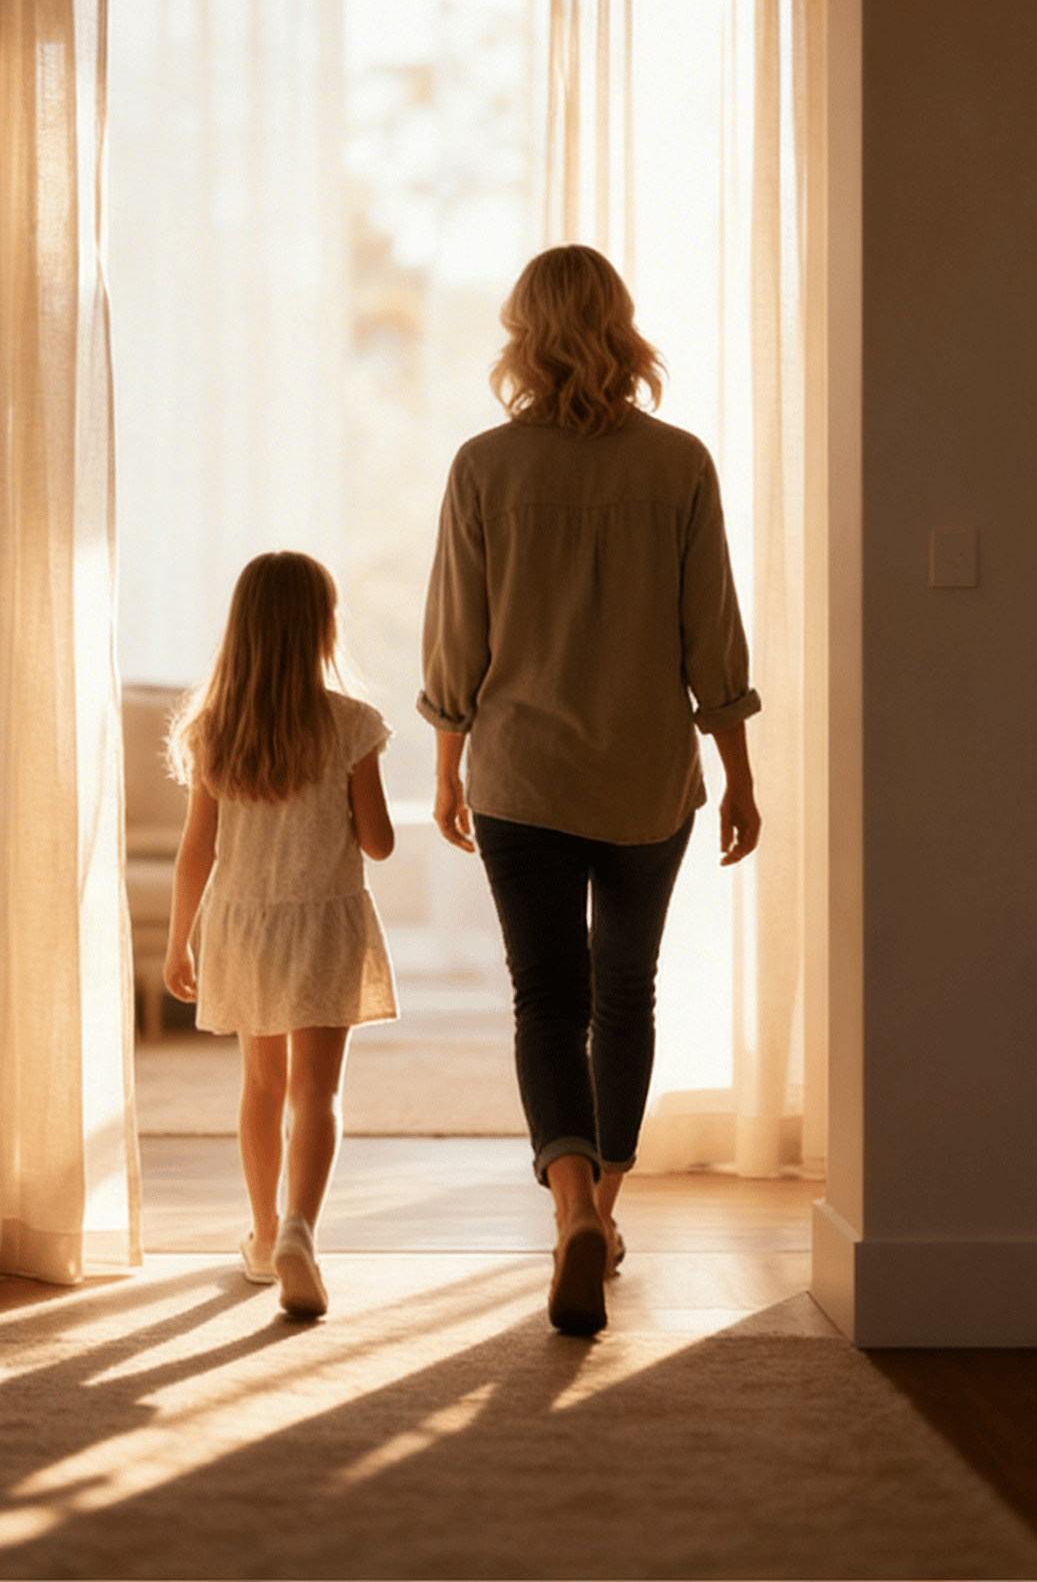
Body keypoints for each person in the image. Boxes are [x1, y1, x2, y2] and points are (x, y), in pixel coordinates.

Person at [419, 244, 762, 1337]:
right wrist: (738, 771)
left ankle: (565, 1201)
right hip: (645, 771)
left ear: (521, 331)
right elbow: (709, 635)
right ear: (621, 327)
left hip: (519, 767)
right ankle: (605, 1213)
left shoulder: (482, 466)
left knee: (543, 997)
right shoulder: (679, 462)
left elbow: (455, 637)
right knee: (626, 990)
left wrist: (443, 762)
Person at [164, 550, 398, 1319]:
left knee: (260, 1088)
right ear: (323, 629)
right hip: (324, 920)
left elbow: (197, 848)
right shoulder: (353, 724)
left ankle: (264, 1237)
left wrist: (178, 943)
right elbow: (379, 842)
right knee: (318, 1091)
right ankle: (302, 1228)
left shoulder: (214, 730)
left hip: (241, 924)